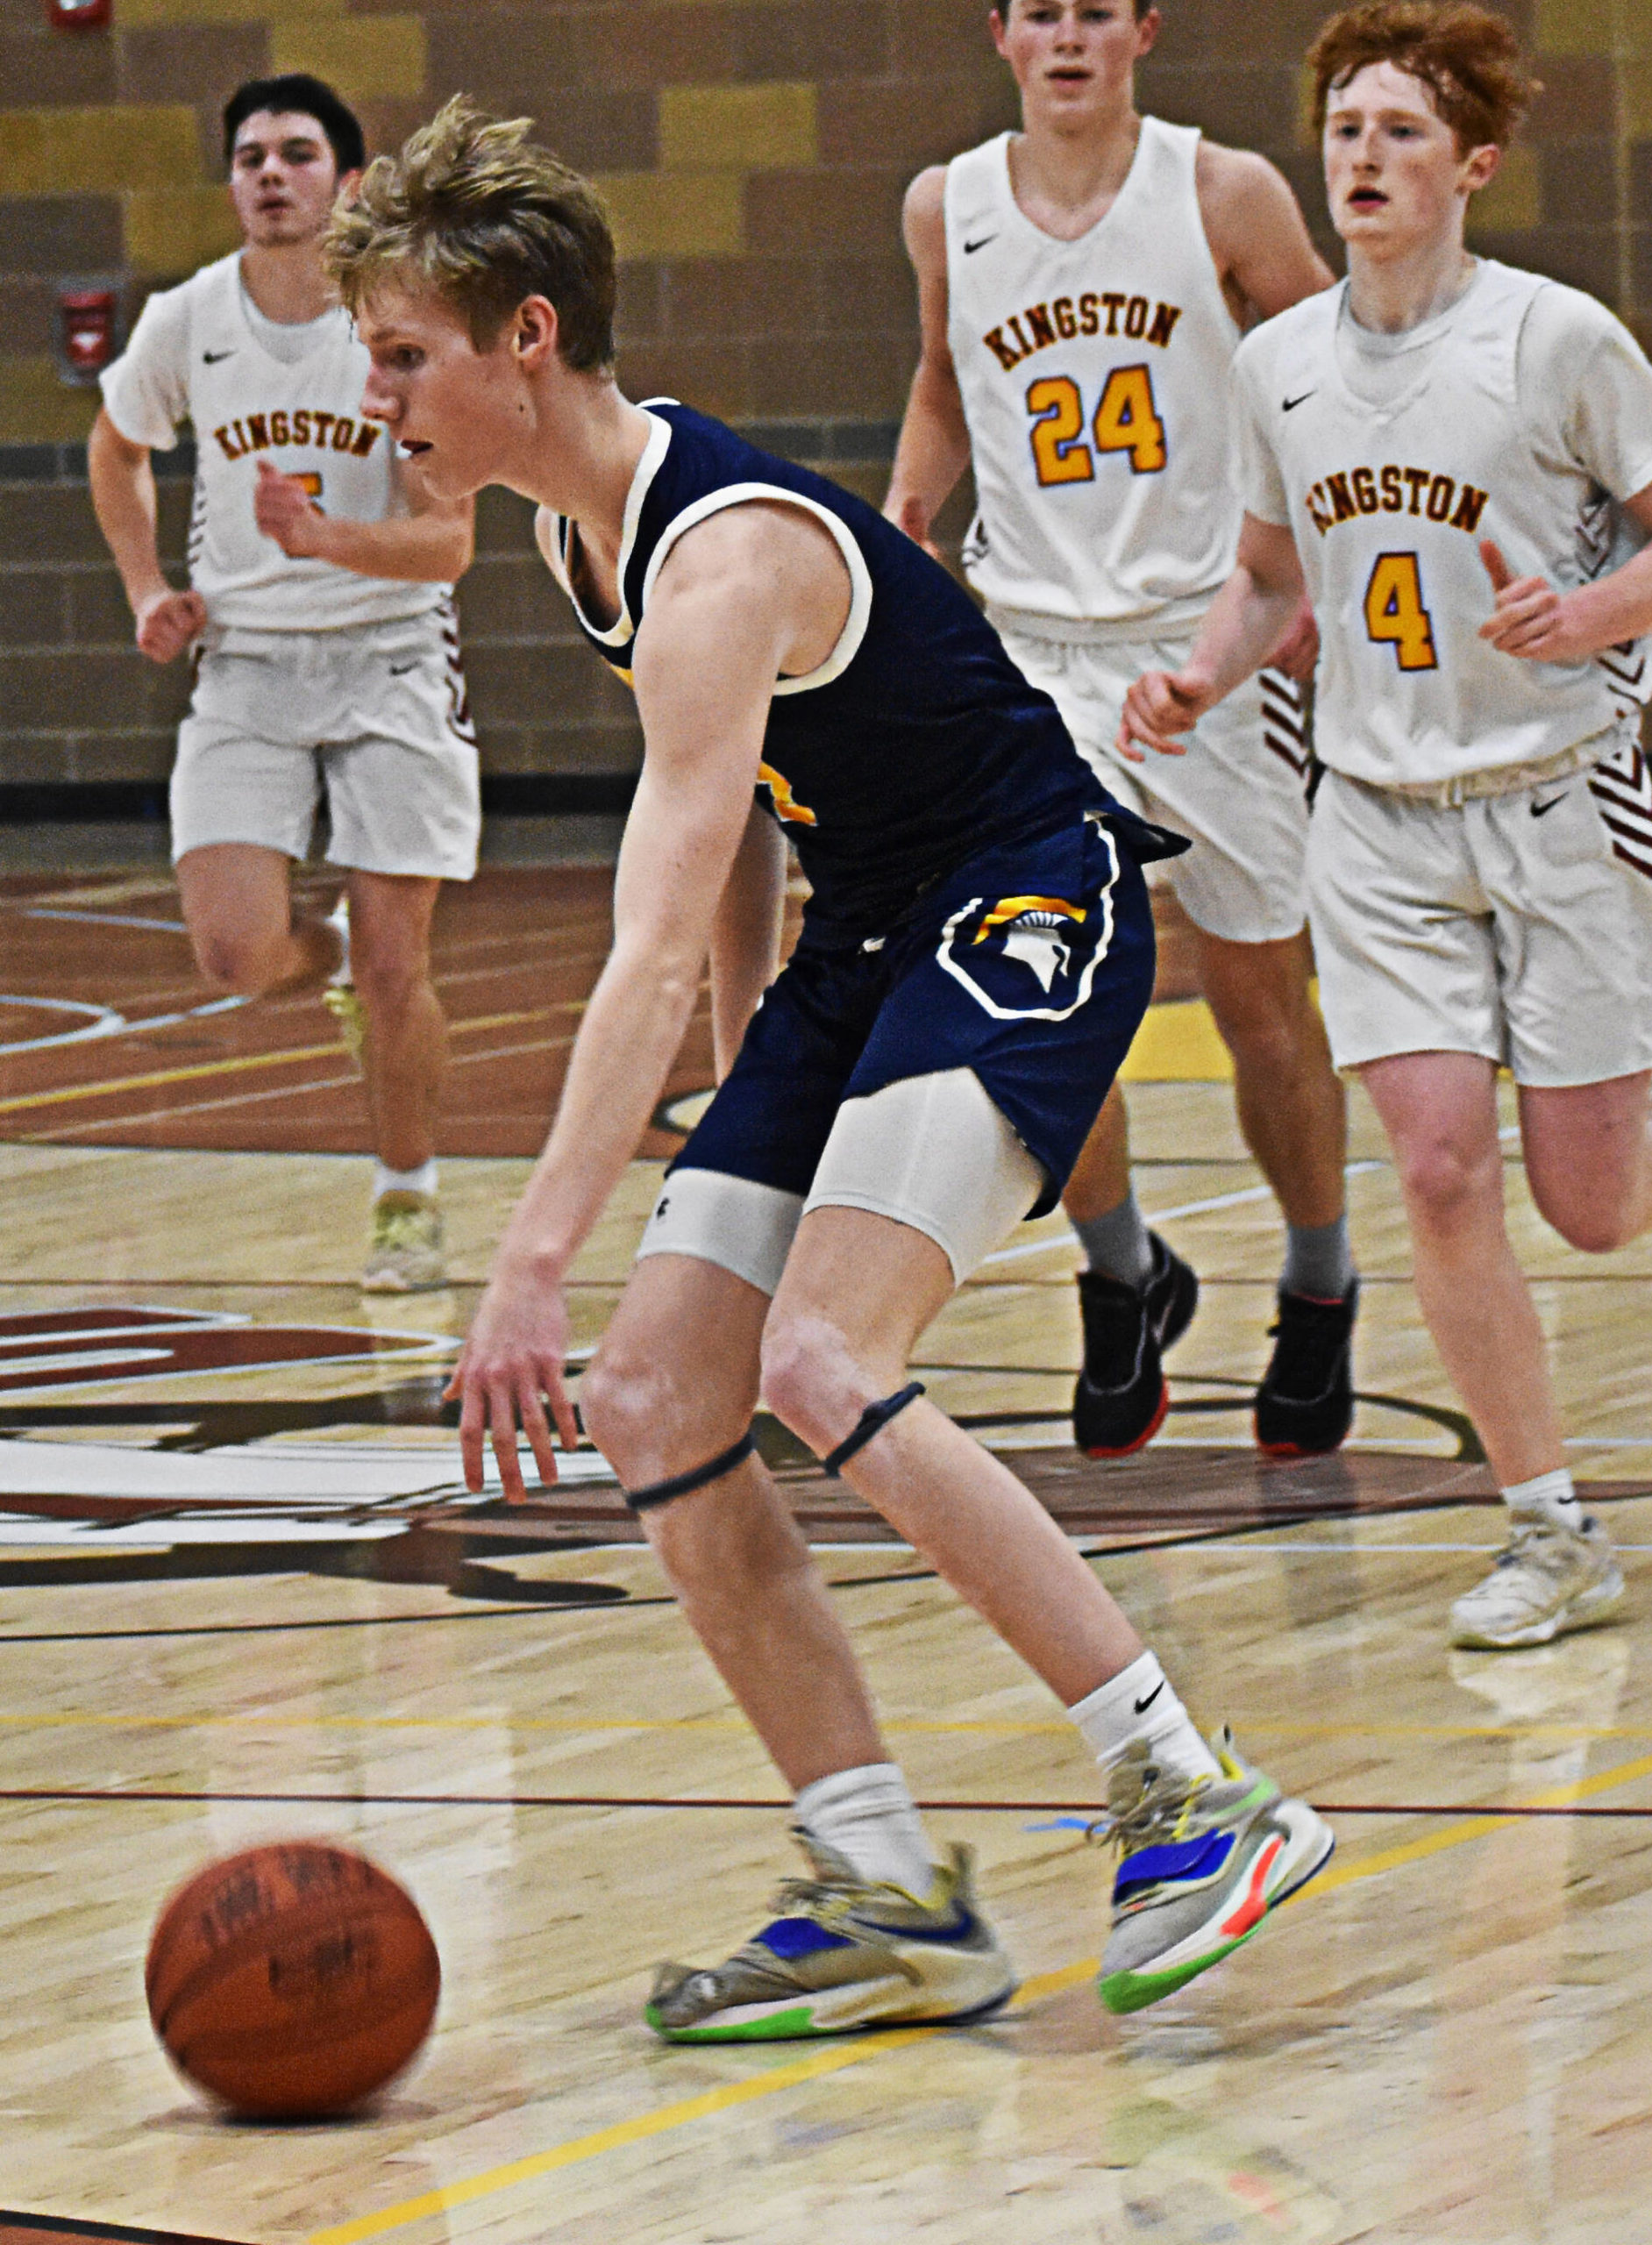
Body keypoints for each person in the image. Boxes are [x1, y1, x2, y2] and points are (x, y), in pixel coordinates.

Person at [327, 99, 1335, 2035]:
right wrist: (734, 1091)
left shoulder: (716, 568)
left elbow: (633, 928)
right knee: (651, 1393)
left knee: (820, 1356)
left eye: (402, 354)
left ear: (523, 338)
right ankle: (888, 1887)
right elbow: (732, 864)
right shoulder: (574, 536)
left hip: (1022, 893)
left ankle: (1189, 1785)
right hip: (863, 932)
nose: (377, 394)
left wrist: (532, 1248)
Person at [1122, 0, 1652, 1650]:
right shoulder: (1277, 364)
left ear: (1472, 163)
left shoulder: (1553, 339)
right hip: (1377, 824)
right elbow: (1268, 575)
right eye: (1342, 128)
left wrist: (1590, 607)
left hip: (1556, 803)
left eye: (1401, 131)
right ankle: (1547, 1529)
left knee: (1585, 1200)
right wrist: (1198, 679)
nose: (1362, 157)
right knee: (1433, 1165)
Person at [887, 0, 1356, 1461]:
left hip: (1203, 644)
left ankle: (1319, 1284)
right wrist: (908, 516)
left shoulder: (1222, 192)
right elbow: (945, 380)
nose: (1069, 35)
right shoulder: (944, 206)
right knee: (1048, 993)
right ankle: (1121, 1272)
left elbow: (1329, 375)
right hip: (1035, 649)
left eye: (1098, 9)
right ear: (1002, 33)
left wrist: (1315, 578)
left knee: (1256, 1001)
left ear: (1143, 30)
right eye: (1045, 12)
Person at [88, 74, 478, 1293]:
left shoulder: (399, 324)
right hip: (246, 665)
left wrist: (328, 542)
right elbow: (116, 450)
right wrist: (150, 590)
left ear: (348, 183)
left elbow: (449, 543)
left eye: (297, 153)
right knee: (234, 949)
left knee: (402, 957)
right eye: (250, 154)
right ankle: (336, 973)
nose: (270, 173)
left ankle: (406, 1202)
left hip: (391, 655)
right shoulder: (188, 318)